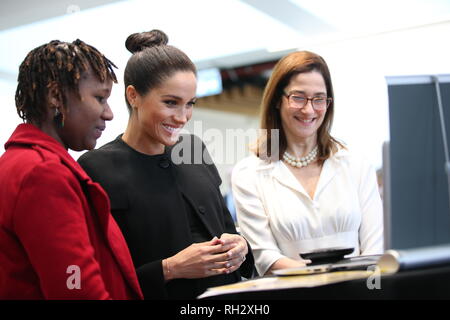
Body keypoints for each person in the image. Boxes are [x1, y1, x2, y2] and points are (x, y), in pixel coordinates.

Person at [78, 30, 254, 299]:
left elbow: (227, 229)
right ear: (133, 96)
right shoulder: (97, 168)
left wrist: (241, 245)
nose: (183, 117)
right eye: (171, 103)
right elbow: (97, 274)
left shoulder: (194, 149)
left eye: (190, 104)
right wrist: (169, 269)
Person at [0, 39, 143, 299]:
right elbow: (75, 288)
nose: (109, 114)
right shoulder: (42, 173)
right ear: (55, 96)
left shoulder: (19, 162)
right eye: (100, 98)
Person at [231, 51, 383, 276]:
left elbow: (375, 248)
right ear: (276, 100)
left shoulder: (355, 165)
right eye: (298, 97)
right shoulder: (249, 174)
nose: (309, 110)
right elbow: (267, 259)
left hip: (357, 291)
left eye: (319, 98)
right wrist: (332, 275)